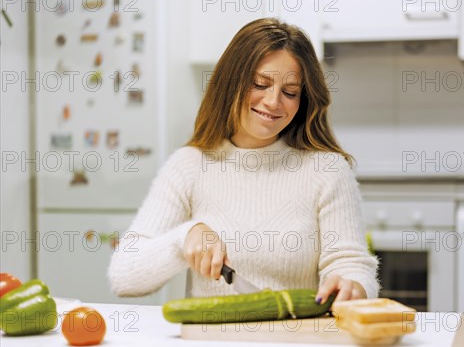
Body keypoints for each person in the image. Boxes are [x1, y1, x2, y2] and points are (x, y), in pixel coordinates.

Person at [108, 18, 379, 304]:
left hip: (298, 343)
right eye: (260, 84)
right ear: (231, 83)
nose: (274, 102)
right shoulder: (188, 166)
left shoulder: (327, 170)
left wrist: (353, 286)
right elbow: (124, 277)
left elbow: (351, 265)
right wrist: (184, 237)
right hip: (209, 346)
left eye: (290, 92)